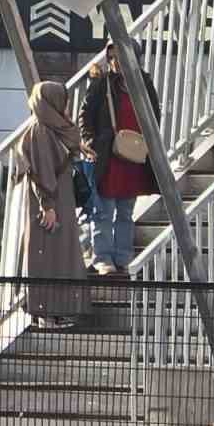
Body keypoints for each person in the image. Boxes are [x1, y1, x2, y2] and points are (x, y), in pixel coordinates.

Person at [79, 40, 162, 277]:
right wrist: (92, 141)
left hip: (133, 155)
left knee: (126, 211)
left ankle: (122, 257)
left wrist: (149, 145)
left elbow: (154, 115)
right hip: (107, 155)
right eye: (112, 57)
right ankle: (103, 258)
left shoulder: (143, 83)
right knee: (104, 210)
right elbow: (85, 115)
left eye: (120, 56)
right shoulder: (101, 83)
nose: (115, 62)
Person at [13, 81, 91, 329]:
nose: (65, 105)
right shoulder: (41, 131)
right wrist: (47, 206)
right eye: (62, 100)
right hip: (51, 204)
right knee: (48, 258)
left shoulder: (52, 129)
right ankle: (46, 313)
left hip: (60, 201)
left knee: (60, 256)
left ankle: (56, 311)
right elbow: (41, 171)